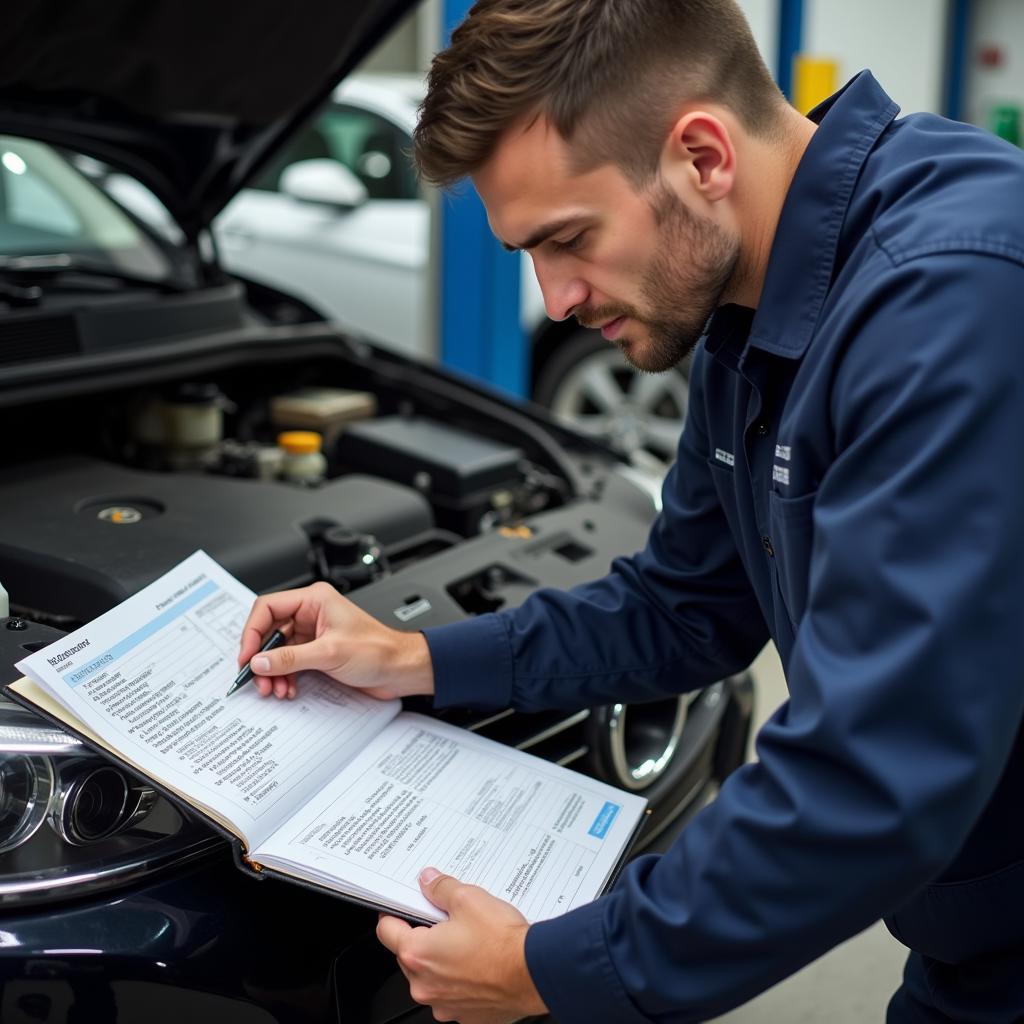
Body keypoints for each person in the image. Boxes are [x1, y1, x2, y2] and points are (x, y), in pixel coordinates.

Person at [237, 1, 1024, 1021]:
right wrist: (412, 658)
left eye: (568, 239)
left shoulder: (950, 302)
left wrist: (546, 971)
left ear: (701, 154)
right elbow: (683, 605)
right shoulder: (751, 302)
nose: (555, 298)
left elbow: (877, 772)